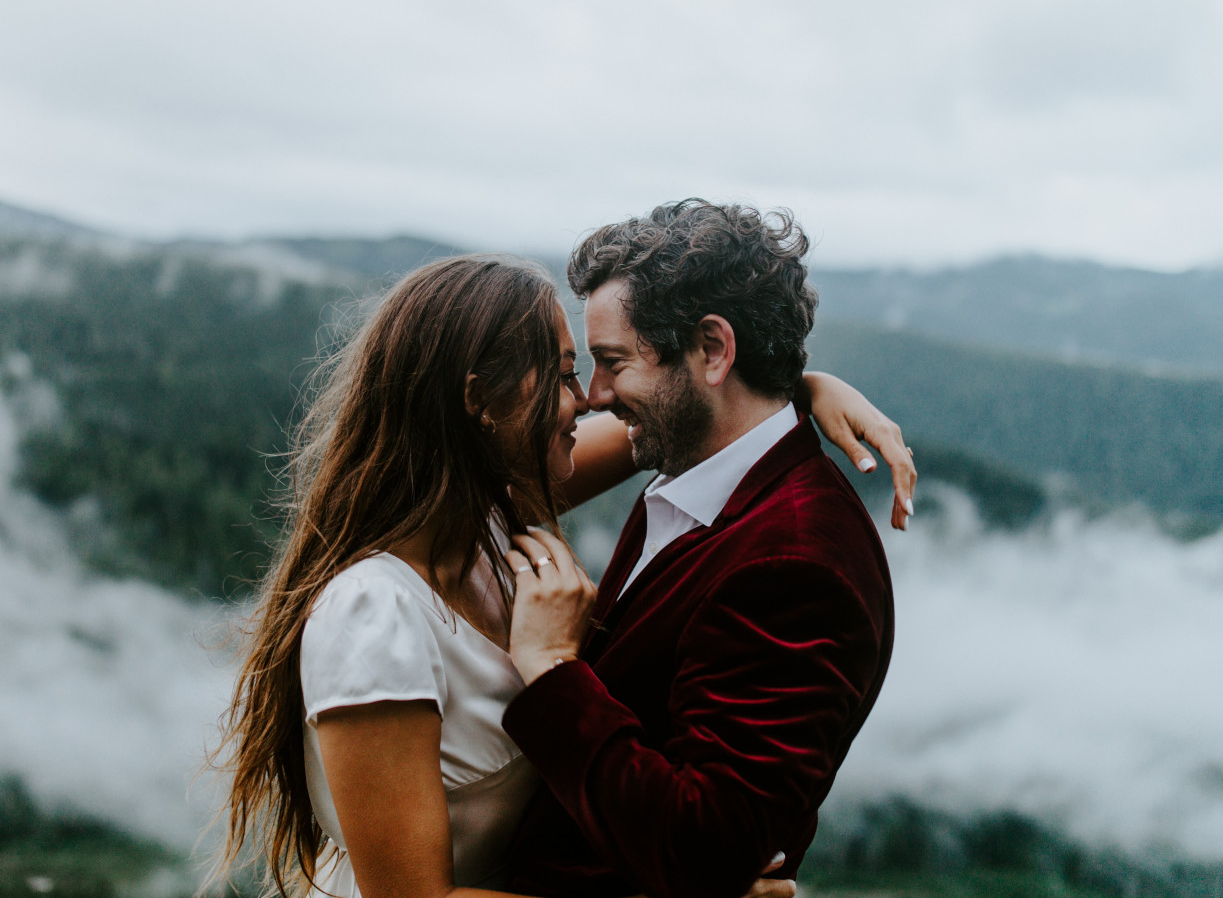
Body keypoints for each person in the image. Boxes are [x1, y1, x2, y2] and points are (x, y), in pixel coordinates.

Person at [208, 250, 914, 898]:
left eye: (595, 365)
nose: (588, 398)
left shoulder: (484, 522)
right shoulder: (374, 611)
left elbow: (681, 423)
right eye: (566, 372)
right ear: (480, 402)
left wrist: (796, 391)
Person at [502, 200, 897, 898]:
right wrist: (800, 388)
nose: (593, 397)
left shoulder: (796, 564)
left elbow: (701, 850)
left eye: (613, 363)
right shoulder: (690, 468)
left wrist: (551, 671)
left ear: (713, 350)